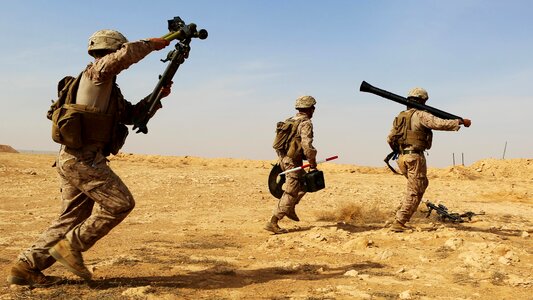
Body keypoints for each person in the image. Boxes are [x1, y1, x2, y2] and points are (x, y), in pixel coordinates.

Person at [7, 29, 172, 286]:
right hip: (83, 159)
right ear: (111, 51)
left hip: (74, 159)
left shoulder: (106, 89)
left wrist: (157, 96)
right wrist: (151, 44)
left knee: (72, 217)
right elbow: (123, 57)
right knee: (120, 204)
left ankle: (27, 266)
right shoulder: (96, 73)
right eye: (117, 51)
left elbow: (130, 116)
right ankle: (69, 248)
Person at [387, 87, 471, 232]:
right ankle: (399, 222)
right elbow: (438, 123)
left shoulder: (401, 116)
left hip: (402, 157)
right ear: (422, 101)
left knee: (420, 185)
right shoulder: (420, 114)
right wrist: (460, 121)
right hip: (414, 157)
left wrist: (400, 150)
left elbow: (390, 138)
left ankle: (402, 212)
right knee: (415, 189)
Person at [265, 95, 318, 234]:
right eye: (313, 108)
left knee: (305, 184)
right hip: (292, 162)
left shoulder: (290, 120)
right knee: (291, 190)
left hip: (283, 160)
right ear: (309, 109)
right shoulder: (305, 123)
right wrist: (312, 162)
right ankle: (273, 221)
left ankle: (290, 208)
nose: (314, 110)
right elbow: (307, 146)